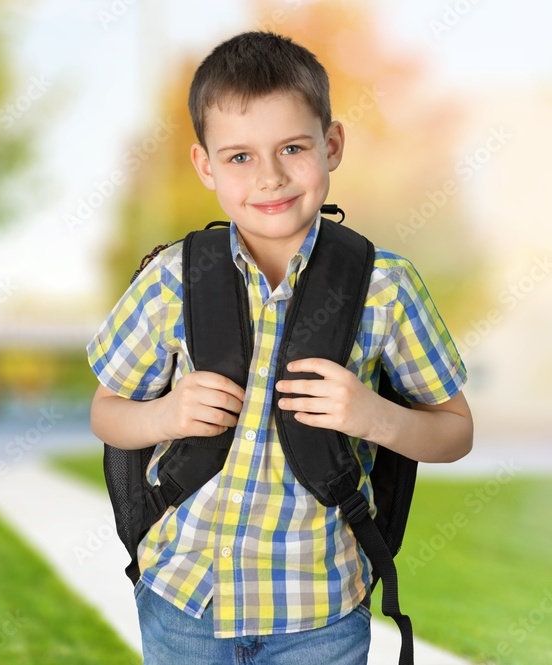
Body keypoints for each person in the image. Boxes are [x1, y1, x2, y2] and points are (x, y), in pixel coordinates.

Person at [86, 31, 473, 665]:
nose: (269, 177)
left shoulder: (386, 288)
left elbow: (455, 432)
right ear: (205, 165)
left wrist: (374, 416)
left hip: (320, 610)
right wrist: (164, 415)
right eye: (239, 157)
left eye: (293, 147)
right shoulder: (171, 279)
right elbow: (107, 413)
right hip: (184, 599)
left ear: (333, 145)